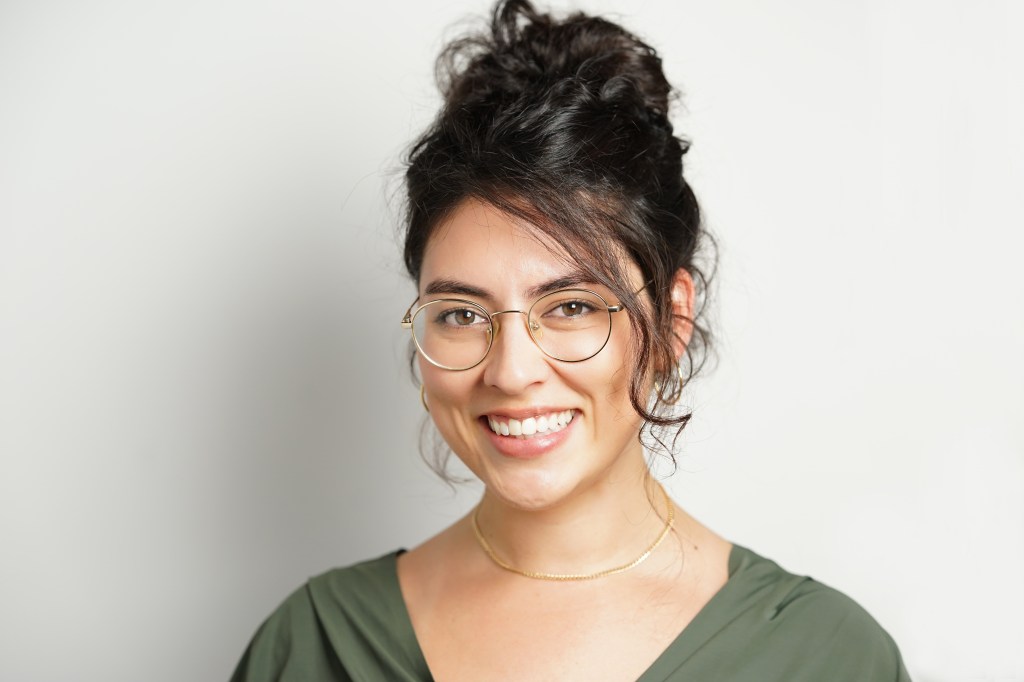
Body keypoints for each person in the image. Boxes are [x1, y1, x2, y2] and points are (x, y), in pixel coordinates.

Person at [230, 1, 910, 679]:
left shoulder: (820, 655)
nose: (512, 371)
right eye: (463, 314)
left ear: (672, 321)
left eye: (573, 306)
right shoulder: (314, 643)